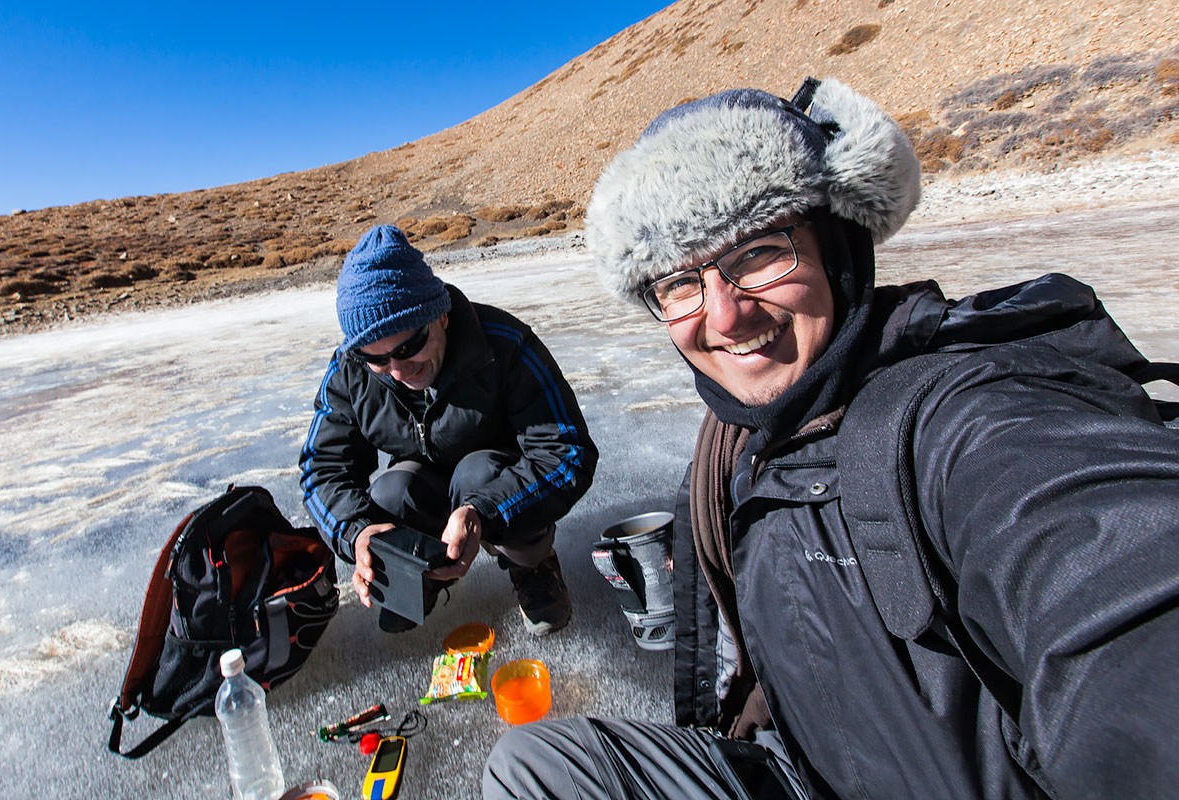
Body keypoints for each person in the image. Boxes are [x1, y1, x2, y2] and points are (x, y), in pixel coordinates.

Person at [483, 79, 1179, 798]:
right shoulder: (737, 443)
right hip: (798, 760)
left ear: (837, 248)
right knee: (534, 764)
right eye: (680, 281)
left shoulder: (966, 422)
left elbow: (1111, 572)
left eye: (757, 252)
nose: (723, 315)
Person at [299, 224, 598, 635]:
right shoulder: (350, 371)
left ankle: (533, 565)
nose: (399, 371)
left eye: (408, 347)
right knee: (390, 493)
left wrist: (484, 509)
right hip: (423, 479)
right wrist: (358, 533)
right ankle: (414, 576)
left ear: (439, 315)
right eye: (379, 359)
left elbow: (566, 454)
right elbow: (322, 469)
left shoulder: (504, 345)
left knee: (479, 472)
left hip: (495, 479)